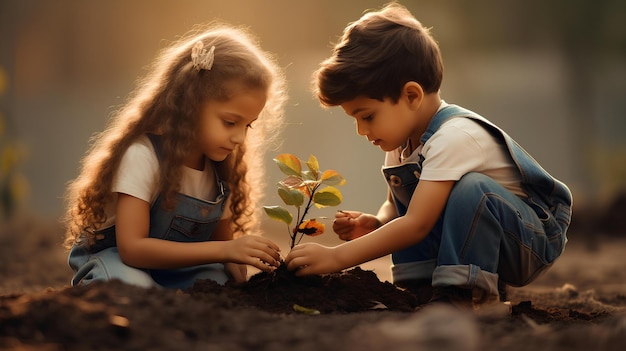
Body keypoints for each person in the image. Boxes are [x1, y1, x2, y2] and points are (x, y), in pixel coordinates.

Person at [285, 3, 572, 312]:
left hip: (531, 238)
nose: (360, 130)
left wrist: (336, 257)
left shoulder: (454, 137)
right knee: (420, 197)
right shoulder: (403, 141)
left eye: (367, 116)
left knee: (472, 189)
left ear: (411, 95)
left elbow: (417, 224)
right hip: (488, 233)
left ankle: (472, 298)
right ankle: (426, 290)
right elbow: (399, 206)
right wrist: (378, 222)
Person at [63, 23, 287, 290]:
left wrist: (237, 267)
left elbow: (223, 244)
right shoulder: (143, 156)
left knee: (217, 282)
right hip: (117, 259)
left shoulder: (222, 171)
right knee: (133, 288)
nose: (240, 138)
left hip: (173, 268)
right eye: (230, 122)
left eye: (247, 125)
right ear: (191, 105)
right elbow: (132, 249)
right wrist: (226, 251)